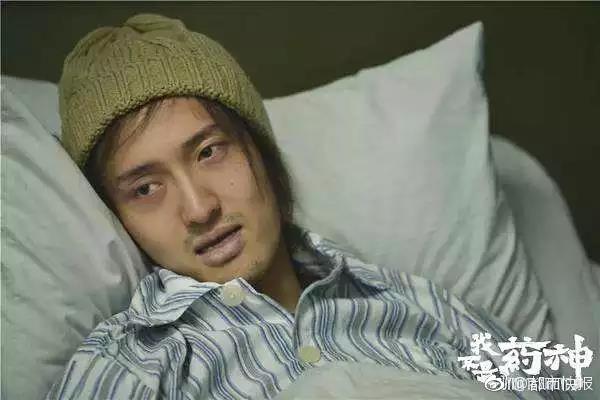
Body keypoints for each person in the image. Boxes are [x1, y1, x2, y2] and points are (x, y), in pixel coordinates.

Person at [48, 14, 566, 400]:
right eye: (145, 189)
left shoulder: (415, 303)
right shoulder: (130, 363)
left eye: (209, 152)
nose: (200, 208)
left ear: (260, 151)